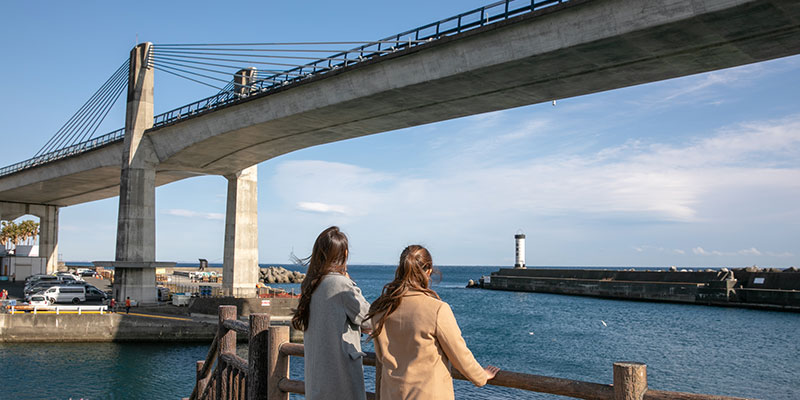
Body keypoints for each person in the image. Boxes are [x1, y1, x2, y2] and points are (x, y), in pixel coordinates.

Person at [368, 245, 500, 400]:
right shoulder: (437, 310)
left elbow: (381, 354)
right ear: (429, 271)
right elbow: (459, 354)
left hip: (391, 394)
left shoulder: (380, 308)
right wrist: (481, 376)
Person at [291, 226, 370, 400]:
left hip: (318, 381)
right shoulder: (340, 284)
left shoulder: (310, 285)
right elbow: (369, 320)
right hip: (340, 379)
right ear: (345, 253)